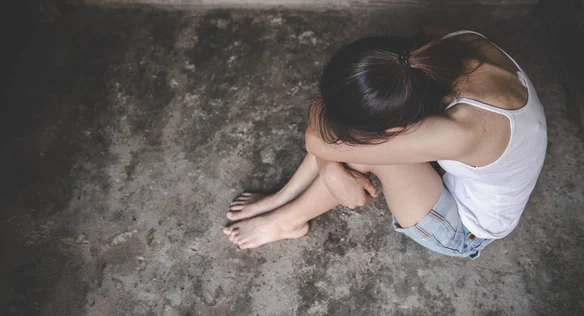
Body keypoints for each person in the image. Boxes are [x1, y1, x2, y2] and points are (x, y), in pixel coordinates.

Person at [222, 28, 547, 258]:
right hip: (464, 159)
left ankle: (287, 220)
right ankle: (282, 198)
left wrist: (332, 157)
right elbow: (324, 126)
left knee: (362, 149)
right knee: (346, 129)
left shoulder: (459, 131)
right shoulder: (442, 49)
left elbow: (317, 136)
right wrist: (331, 170)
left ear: (398, 129)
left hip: (465, 228)